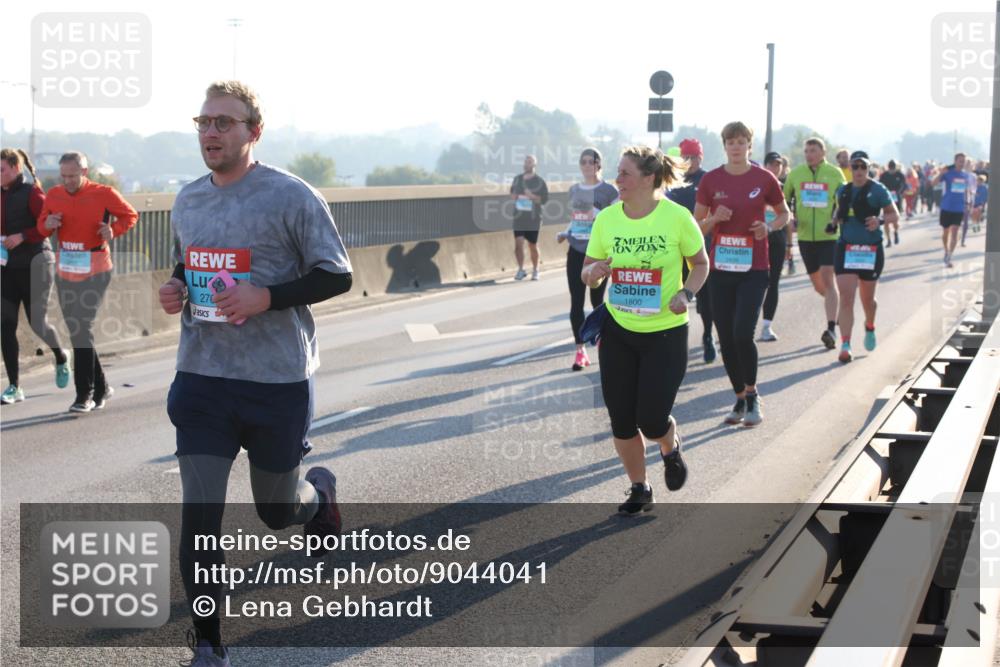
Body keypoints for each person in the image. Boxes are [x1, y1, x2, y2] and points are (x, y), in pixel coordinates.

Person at [158, 81, 354, 666]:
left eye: (224, 122)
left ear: (253, 131)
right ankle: (209, 644)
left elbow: (336, 274)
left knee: (275, 511)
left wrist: (267, 297)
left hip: (276, 381)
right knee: (200, 513)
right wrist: (175, 285)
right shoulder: (188, 199)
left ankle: (316, 498)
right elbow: (191, 261)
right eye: (204, 122)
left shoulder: (291, 196)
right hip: (201, 379)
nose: (211, 132)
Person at [581, 145, 708, 514]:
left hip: (665, 333)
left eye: (624, 173)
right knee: (621, 418)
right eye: (617, 172)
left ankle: (669, 446)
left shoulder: (677, 217)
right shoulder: (607, 220)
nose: (617, 180)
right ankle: (639, 486)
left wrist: (687, 292)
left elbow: (700, 263)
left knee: (651, 420)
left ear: (648, 178)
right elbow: (586, 270)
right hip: (619, 328)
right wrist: (592, 274)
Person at [694, 122, 789, 427]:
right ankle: (738, 397)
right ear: (724, 146)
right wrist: (713, 218)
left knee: (742, 333)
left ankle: (752, 395)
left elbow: (785, 213)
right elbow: (696, 227)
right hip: (720, 268)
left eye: (741, 141)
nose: (736, 146)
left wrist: (769, 227)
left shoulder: (764, 178)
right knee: (725, 336)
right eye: (730, 142)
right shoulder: (711, 180)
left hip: (754, 268)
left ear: (750, 144)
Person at [36, 152, 137, 413]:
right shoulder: (55, 194)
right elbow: (42, 229)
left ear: (84, 173)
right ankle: (102, 388)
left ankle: (85, 394)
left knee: (83, 327)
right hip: (65, 269)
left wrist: (113, 230)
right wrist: (47, 223)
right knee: (78, 331)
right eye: (64, 176)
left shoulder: (104, 193)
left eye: (72, 175)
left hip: (96, 269)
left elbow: (130, 215)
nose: (67, 181)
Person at [1, 148, 70, 404]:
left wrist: (22, 236)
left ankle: (61, 356)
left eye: (2, 170)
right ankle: (14, 386)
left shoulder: (32, 193)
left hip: (36, 265)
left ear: (16, 169)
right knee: (5, 326)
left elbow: (48, 226)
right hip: (6, 268)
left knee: (37, 323)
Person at [830, 151, 899, 363]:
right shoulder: (843, 189)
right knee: (847, 297)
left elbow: (894, 214)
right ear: (850, 168)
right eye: (855, 166)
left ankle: (869, 326)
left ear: (868, 168)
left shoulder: (878, 189)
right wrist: (833, 223)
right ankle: (845, 343)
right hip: (847, 248)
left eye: (863, 166)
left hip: (870, 250)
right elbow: (838, 212)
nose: (859, 171)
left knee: (867, 300)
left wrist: (879, 221)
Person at [556, 148, 618, 370]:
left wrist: (597, 214)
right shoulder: (574, 190)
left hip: (597, 251)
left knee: (597, 301)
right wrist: (565, 232)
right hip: (576, 249)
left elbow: (616, 217)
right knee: (576, 301)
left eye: (591, 162)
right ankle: (580, 350)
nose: (586, 165)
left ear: (598, 164)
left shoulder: (609, 191)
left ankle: (602, 343)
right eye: (583, 162)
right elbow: (576, 218)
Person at [783, 137, 846, 351]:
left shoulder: (834, 174)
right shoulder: (796, 174)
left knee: (828, 280)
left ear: (823, 152)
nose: (809, 154)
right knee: (819, 286)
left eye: (813, 150)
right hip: (805, 237)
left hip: (828, 236)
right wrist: (790, 217)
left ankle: (831, 329)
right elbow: (783, 201)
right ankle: (835, 312)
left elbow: (842, 202)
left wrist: (835, 220)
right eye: (806, 150)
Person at [666, 137, 717, 363]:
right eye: (686, 157)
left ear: (701, 157)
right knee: (677, 293)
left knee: (705, 298)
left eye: (694, 157)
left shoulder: (708, 179)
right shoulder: (673, 179)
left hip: (700, 246)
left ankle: (707, 335)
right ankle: (673, 342)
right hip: (675, 248)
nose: (690, 161)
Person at [758, 151, 791, 342]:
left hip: (776, 241)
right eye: (771, 164)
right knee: (754, 282)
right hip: (756, 240)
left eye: (778, 164)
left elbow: (788, 218)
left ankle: (766, 326)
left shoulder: (784, 189)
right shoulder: (755, 186)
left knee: (773, 283)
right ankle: (744, 324)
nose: (774, 167)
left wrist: (789, 245)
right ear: (765, 165)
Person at [510, 155, 548, 281]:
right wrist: (515, 196)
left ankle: (536, 269)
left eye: (530, 162)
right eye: (526, 162)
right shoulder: (517, 179)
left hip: (533, 218)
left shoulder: (539, 181)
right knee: (518, 243)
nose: (527, 164)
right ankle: (520, 269)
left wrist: (531, 196)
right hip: (519, 216)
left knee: (532, 245)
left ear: (534, 165)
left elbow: (544, 200)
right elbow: (512, 193)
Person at [932, 153, 974, 267]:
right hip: (946, 206)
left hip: (959, 208)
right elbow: (933, 183)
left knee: (955, 232)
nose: (962, 163)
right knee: (946, 232)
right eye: (960, 161)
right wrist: (941, 173)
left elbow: (967, 191)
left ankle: (949, 256)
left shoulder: (966, 175)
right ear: (955, 161)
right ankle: (946, 250)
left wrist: (968, 204)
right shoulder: (948, 173)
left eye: (963, 161)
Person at [879, 160, 906, 246]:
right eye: (890, 168)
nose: (892, 170)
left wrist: (899, 192)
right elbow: (879, 185)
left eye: (893, 168)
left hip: (897, 199)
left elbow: (904, 185)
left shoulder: (900, 175)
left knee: (895, 220)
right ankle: (889, 240)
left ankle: (896, 232)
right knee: (886, 221)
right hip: (886, 199)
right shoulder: (884, 175)